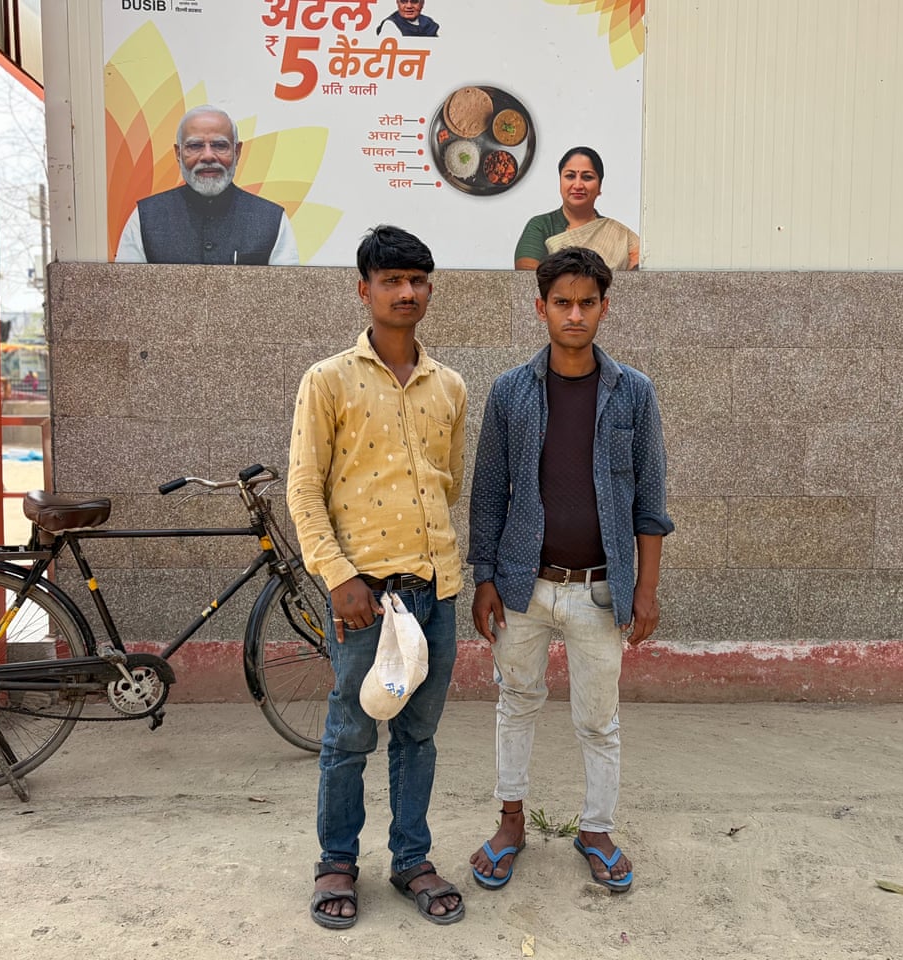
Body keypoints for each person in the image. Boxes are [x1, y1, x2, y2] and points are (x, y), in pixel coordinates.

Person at [466, 246, 673, 893]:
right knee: (516, 704)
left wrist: (645, 588)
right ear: (541, 308)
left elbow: (650, 501)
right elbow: (489, 489)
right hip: (525, 584)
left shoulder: (633, 394)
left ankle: (597, 828)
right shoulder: (511, 392)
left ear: (604, 308)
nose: (575, 314)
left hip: (599, 592)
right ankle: (510, 822)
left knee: (598, 718)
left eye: (587, 303)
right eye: (563, 303)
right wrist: (485, 578)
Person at [287, 225, 467, 929]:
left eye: (418, 280)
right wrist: (338, 577)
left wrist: (432, 574)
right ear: (364, 290)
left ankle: (411, 858)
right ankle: (336, 861)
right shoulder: (327, 380)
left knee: (418, 736)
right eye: (391, 280)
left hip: (436, 591)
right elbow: (305, 490)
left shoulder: (448, 385)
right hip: (364, 597)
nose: (406, 292)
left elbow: (445, 487)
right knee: (351, 735)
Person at [115, 105, 298, 265]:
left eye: (219, 145)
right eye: (195, 146)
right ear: (178, 153)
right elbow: (126, 297)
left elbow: (286, 299)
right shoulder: (144, 218)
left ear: (237, 151)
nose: (208, 156)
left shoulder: (273, 220)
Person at [514, 146, 639, 273]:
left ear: (599, 186)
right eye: (570, 176)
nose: (578, 185)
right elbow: (527, 281)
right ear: (560, 182)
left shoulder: (621, 236)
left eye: (587, 177)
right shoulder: (541, 226)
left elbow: (639, 282)